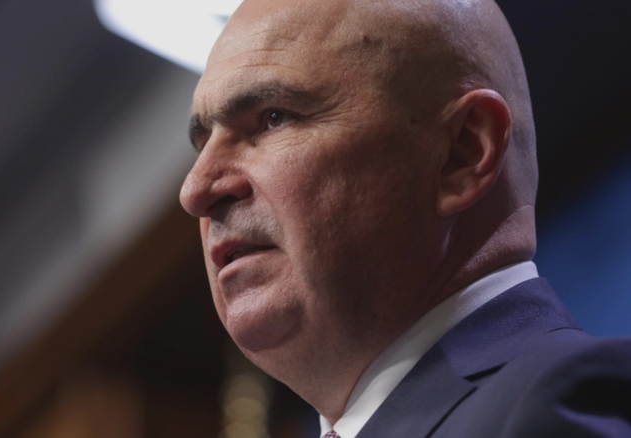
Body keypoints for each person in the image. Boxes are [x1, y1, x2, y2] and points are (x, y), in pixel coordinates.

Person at [179, 0, 631, 437]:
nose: (195, 190)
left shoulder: (554, 410)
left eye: (273, 118)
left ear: (461, 154)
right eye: (203, 144)